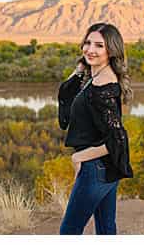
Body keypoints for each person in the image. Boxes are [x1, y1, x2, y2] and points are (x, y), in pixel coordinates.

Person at [56, 22, 133, 234]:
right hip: (107, 169)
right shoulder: (96, 76)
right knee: (106, 229)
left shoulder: (102, 86)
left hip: (94, 168)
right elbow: (66, 94)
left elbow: (116, 139)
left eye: (99, 45)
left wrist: (78, 157)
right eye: (87, 43)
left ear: (111, 50)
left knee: (69, 232)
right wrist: (81, 67)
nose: (91, 49)